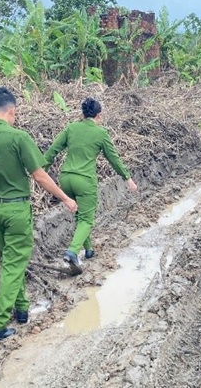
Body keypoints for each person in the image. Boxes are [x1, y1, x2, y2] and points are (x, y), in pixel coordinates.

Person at [0, 87, 78, 343]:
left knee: (10, 261)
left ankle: (22, 309)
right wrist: (65, 198)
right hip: (17, 210)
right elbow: (40, 175)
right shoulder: (18, 137)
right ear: (12, 111)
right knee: (13, 264)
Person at [44, 97, 138, 275]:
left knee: (80, 216)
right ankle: (72, 252)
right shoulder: (101, 133)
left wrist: (41, 171)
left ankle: (89, 250)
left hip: (65, 179)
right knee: (86, 220)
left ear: (83, 113)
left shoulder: (71, 128)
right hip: (85, 181)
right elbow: (114, 158)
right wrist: (127, 178)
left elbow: (52, 150)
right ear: (99, 115)